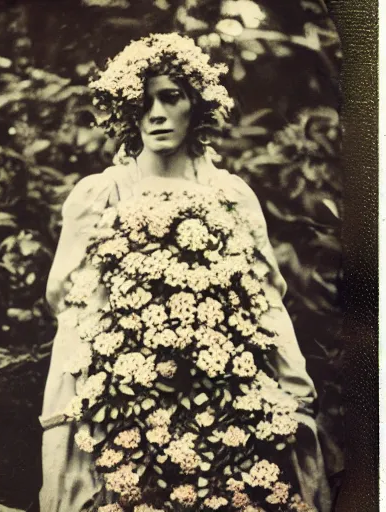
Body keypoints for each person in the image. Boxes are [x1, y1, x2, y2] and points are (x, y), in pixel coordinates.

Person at [38, 33, 331, 512]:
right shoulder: (102, 194)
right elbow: (68, 300)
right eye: (142, 102)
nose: (155, 114)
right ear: (126, 112)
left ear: (195, 104)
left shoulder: (229, 194)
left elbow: (265, 297)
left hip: (220, 389)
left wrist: (292, 386)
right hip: (126, 393)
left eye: (170, 97)